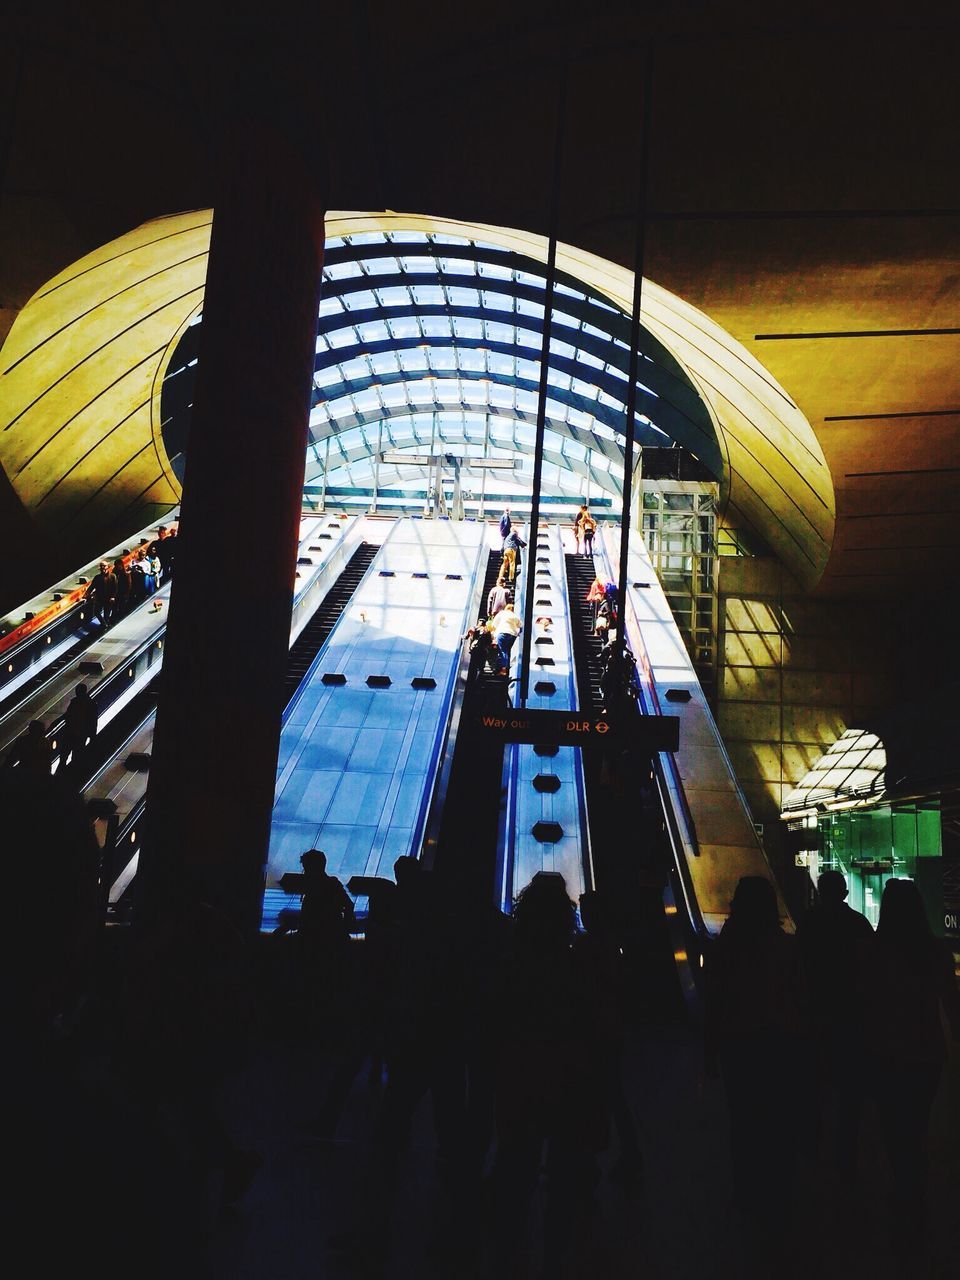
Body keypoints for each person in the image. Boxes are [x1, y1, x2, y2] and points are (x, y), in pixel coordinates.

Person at [866, 878, 960, 1251]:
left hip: (886, 1052)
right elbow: (950, 1003)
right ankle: (915, 1198)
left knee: (894, 1128)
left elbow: (863, 1005)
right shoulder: (935, 951)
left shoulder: (874, 951)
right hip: (926, 1053)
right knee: (916, 1125)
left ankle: (902, 1192)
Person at [796, 869, 873, 1175]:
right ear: (843, 893)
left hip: (815, 1015)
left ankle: (812, 1144)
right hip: (850, 1017)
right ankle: (847, 1154)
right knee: (849, 1091)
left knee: (814, 1086)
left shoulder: (808, 923)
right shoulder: (857, 924)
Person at [60, 683, 98, 774]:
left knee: (67, 754)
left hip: (75, 732)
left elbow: (92, 720)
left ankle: (64, 772)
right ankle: (70, 772)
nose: (77, 693)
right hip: (79, 733)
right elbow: (93, 721)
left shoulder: (81, 702)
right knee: (74, 754)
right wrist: (92, 736)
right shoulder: (88, 702)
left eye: (78, 691)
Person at [490, 602, 522, 675]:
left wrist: (494, 633)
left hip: (502, 633)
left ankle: (503, 670)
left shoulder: (502, 613)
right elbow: (521, 625)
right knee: (507, 651)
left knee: (502, 651)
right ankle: (505, 668)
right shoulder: (515, 616)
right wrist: (518, 633)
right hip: (512, 635)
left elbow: (494, 624)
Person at [85, 560, 117, 627]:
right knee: (96, 611)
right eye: (101, 566)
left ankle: (106, 624)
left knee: (106, 614)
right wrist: (86, 594)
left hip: (108, 598)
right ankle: (104, 624)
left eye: (104, 566)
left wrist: (113, 596)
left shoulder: (112, 576)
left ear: (107, 567)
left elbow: (115, 588)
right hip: (100, 598)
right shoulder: (97, 577)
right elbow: (92, 586)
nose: (103, 568)